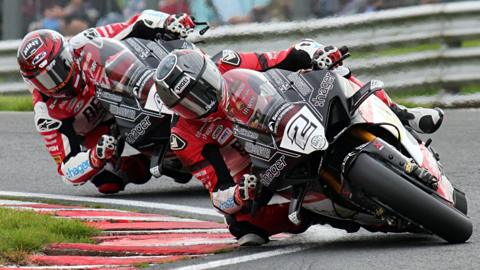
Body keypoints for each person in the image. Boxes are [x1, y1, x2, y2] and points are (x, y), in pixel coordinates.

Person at [153, 42, 443, 245]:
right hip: (262, 166)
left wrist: (314, 54)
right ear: (176, 109)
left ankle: (404, 113)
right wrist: (239, 194)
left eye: (203, 90)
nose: (202, 103)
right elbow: (218, 191)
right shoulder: (184, 137)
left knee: (335, 70)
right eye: (189, 102)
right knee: (244, 223)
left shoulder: (229, 62)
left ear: (211, 72)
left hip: (288, 113)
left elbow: (282, 58)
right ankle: (362, 216)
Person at [17, 10, 196, 194]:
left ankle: (199, 80)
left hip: (128, 90)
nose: (59, 82)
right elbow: (67, 170)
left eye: (61, 68)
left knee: (164, 40)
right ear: (32, 83)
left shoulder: (84, 42)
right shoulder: (46, 114)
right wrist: (95, 157)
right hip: (103, 132)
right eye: (46, 80)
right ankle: (161, 161)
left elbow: (134, 23)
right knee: (108, 181)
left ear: (66, 53)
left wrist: (168, 21)